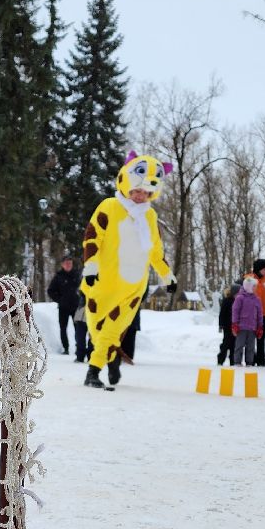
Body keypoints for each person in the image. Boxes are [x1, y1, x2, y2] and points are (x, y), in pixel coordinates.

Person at [80, 153, 177, 389]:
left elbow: (156, 252)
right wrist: (90, 266)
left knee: (113, 328)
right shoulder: (110, 206)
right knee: (97, 330)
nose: (140, 196)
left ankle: (93, 371)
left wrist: (167, 276)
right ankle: (112, 358)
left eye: (145, 192)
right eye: (136, 190)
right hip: (103, 282)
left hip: (133, 287)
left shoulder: (150, 216)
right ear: (127, 184)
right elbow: (92, 236)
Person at [46, 256, 82, 356]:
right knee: (63, 328)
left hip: (77, 307)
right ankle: (66, 348)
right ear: (62, 265)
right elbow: (50, 291)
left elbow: (85, 288)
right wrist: (60, 300)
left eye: (70, 263)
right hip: (63, 308)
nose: (68, 265)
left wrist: (81, 299)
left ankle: (79, 349)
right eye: (66, 263)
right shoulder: (58, 276)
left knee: (79, 328)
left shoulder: (78, 275)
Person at [243, 258, 265, 366]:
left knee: (261, 339)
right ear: (258, 269)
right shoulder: (248, 279)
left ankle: (260, 360)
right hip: (250, 315)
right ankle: (250, 359)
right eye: (264, 269)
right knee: (249, 339)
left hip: (264, 314)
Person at [231, 275, 265, 365]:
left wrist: (260, 326)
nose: (255, 288)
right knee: (239, 345)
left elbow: (260, 314)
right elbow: (235, 311)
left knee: (251, 346)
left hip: (252, 327)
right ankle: (237, 362)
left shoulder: (257, 299)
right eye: (254, 286)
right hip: (241, 327)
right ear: (248, 287)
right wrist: (235, 324)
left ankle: (249, 362)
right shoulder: (240, 298)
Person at [216, 281, 240, 366]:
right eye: (237, 293)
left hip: (235, 327)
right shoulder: (227, 301)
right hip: (227, 326)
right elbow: (222, 314)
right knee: (225, 344)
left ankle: (232, 361)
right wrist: (221, 325)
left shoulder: (239, 301)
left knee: (234, 344)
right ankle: (220, 360)